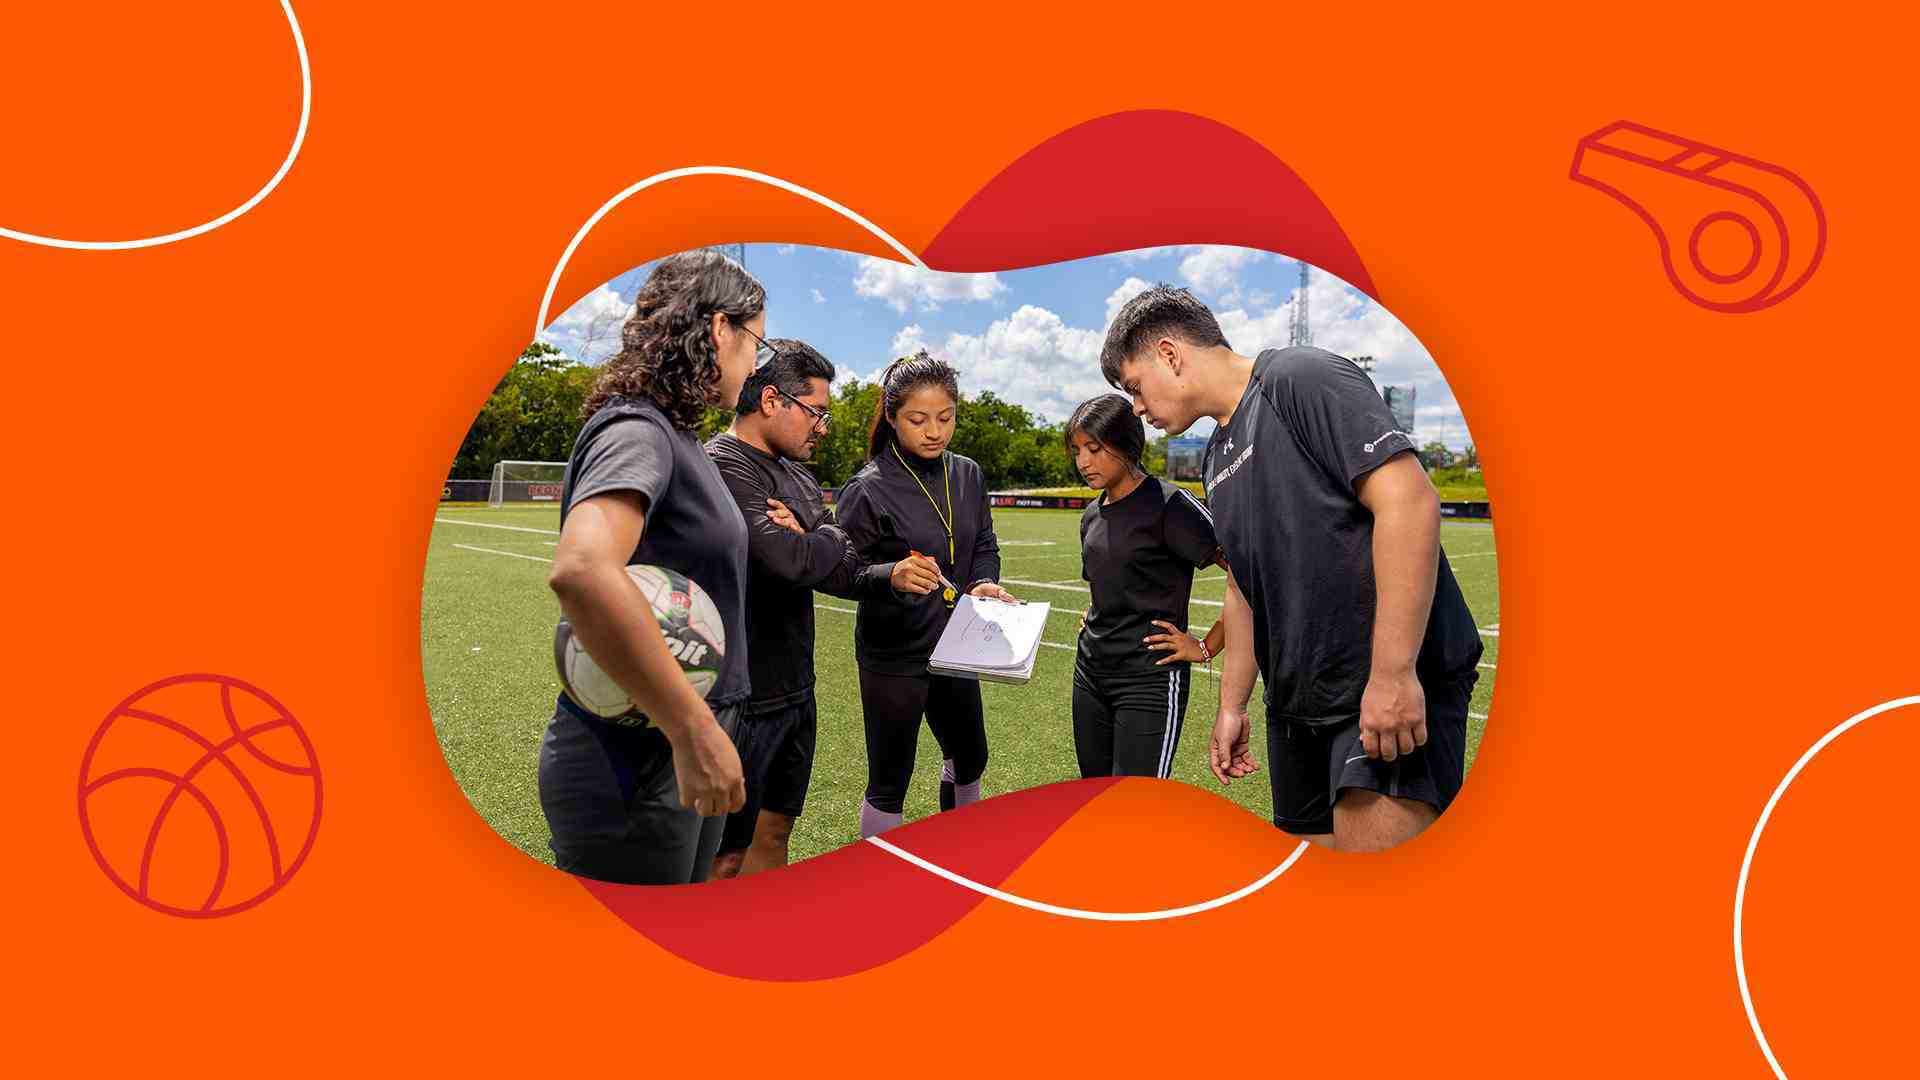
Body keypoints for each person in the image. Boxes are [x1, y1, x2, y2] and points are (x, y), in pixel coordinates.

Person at [1100, 285, 1483, 852]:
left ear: (1170, 354)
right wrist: (1233, 706)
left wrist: (1394, 675)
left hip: (1373, 691)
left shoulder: (1298, 377)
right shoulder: (1216, 456)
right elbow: (1242, 587)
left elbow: (1409, 500)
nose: (1136, 406)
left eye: (1134, 386)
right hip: (1297, 708)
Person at [537, 250, 757, 885]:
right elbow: (582, 569)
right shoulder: (638, 427)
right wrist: (691, 729)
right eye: (754, 341)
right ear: (720, 330)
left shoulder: (677, 434)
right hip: (638, 763)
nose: (753, 363)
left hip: (679, 748)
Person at [704, 337, 915, 877]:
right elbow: (787, 560)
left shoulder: (797, 473)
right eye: (816, 411)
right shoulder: (723, 467)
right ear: (773, 400)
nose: (822, 426)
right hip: (740, 698)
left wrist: (821, 542)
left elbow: (841, 564)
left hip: (797, 687)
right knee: (724, 852)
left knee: (776, 830)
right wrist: (820, 540)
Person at [833, 351, 1019, 837]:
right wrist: (888, 575)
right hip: (894, 653)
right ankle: (880, 885)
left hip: (955, 644)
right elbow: (842, 571)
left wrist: (982, 580)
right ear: (892, 418)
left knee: (971, 756)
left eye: (946, 418)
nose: (934, 431)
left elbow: (983, 543)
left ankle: (956, 849)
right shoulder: (867, 487)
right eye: (918, 420)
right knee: (890, 778)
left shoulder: (968, 473)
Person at [1066, 393, 1227, 779]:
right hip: (1090, 674)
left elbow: (1250, 574)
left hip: (1149, 680)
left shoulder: (1170, 505)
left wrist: (1206, 646)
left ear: (1126, 444)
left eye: (1095, 448)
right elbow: (1111, 584)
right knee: (1092, 799)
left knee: (1135, 807)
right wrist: (1097, 611)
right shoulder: (1091, 515)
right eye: (1077, 450)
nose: (1083, 462)